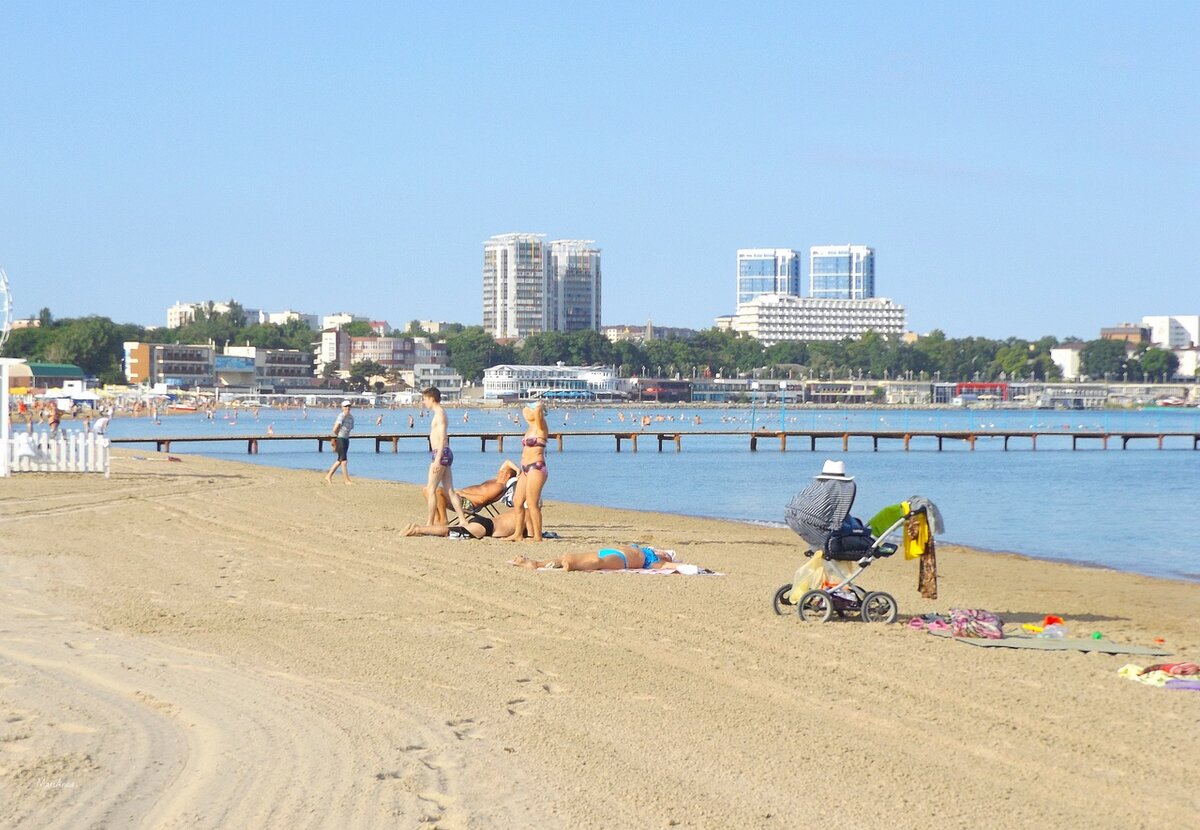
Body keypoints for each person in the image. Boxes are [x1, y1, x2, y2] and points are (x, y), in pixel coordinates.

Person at [783, 459, 860, 549]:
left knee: (818, 540)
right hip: (812, 520)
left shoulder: (819, 486)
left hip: (792, 515)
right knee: (831, 541)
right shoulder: (839, 487)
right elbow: (838, 520)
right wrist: (836, 527)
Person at [502, 401, 549, 542]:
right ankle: (518, 533)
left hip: (537, 468)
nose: (526, 411)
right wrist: (529, 407)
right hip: (525, 469)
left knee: (532, 503)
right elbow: (525, 412)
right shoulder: (529, 428)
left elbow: (538, 412)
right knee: (517, 501)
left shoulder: (541, 426)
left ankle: (537, 536)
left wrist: (538, 405)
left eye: (530, 409)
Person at [423, 387, 470, 527]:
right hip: (443, 453)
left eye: (425, 399)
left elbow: (443, 437)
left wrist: (437, 459)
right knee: (449, 489)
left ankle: (430, 522)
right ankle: (462, 520)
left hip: (440, 453)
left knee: (430, 489)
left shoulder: (440, 414)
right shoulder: (438, 413)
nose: (424, 402)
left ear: (432, 399)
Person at [423, 459, 520, 525]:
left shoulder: (498, 486)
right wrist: (517, 469)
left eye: (502, 471)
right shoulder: (494, 480)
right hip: (460, 497)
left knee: (438, 491)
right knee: (427, 490)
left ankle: (443, 520)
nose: (499, 472)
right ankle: (437, 519)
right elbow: (507, 462)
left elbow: (481, 500)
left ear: (507, 475)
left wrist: (462, 493)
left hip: (468, 503)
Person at [508, 544, 701, 573]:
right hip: (619, 557)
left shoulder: (648, 556)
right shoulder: (651, 557)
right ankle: (572, 563)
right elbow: (670, 564)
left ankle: (538, 563)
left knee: (596, 560)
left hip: (610, 552)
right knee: (598, 563)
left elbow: (671, 564)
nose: (666, 554)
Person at [402, 505, 523, 539]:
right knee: (449, 532)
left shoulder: (517, 509)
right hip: (488, 528)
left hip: (484, 521)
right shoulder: (526, 515)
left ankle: (421, 529)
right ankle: (418, 529)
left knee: (452, 529)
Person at [324, 400, 354, 484]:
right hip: (341, 439)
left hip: (346, 439)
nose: (347, 408)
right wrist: (338, 435)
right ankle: (346, 480)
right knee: (344, 461)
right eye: (346, 406)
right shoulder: (341, 416)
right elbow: (335, 428)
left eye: (349, 406)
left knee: (340, 460)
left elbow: (349, 429)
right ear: (342, 407)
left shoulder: (351, 417)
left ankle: (328, 476)